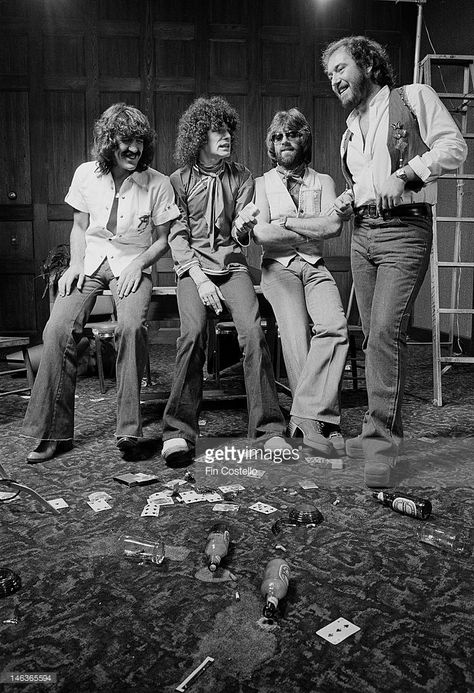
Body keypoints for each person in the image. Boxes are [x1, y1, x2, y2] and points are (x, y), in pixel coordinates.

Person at [322, 36, 467, 486]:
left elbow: (453, 147)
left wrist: (407, 173)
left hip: (404, 229)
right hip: (362, 233)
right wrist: (351, 198)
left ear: (367, 64)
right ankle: (381, 436)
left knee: (386, 332)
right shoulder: (349, 128)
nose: (335, 80)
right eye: (330, 76)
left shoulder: (413, 97)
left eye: (341, 69)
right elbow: (367, 182)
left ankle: (381, 445)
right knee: (373, 337)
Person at [22, 103, 180, 461]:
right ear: (109, 142)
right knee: (57, 329)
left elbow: (162, 239)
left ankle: (129, 430)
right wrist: (75, 264)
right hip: (91, 259)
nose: (134, 150)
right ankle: (53, 434)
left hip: (132, 263)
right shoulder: (85, 174)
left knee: (130, 327)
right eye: (126, 141)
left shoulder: (158, 183)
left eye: (140, 142)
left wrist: (139, 265)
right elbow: (79, 227)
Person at [161, 95, 289, 462]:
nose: (226, 136)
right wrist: (200, 280)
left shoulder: (243, 177)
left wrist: (245, 227)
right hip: (193, 269)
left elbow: (240, 237)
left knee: (253, 332)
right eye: (218, 130)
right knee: (192, 334)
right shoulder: (178, 180)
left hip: (232, 267)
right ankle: (178, 431)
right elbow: (178, 236)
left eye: (228, 129)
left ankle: (268, 429)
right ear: (199, 135)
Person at [252, 108, 350, 457]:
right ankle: (328, 423)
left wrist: (287, 221)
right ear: (271, 145)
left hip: (314, 266)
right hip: (277, 268)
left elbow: (332, 228)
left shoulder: (323, 181)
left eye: (292, 134)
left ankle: (303, 420)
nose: (284, 141)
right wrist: (308, 224)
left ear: (303, 139)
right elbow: (262, 233)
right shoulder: (262, 183)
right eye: (278, 137)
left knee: (335, 327)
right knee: (296, 337)